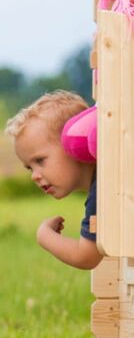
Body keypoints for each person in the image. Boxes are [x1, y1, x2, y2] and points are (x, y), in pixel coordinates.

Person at [5, 90, 103, 270]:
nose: (34, 175)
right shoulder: (103, 181)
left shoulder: (101, 191)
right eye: (29, 167)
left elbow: (87, 256)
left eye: (40, 160)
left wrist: (45, 236)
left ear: (72, 143)